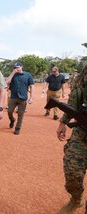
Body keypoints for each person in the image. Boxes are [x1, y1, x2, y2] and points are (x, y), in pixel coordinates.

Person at [56, 64, 87, 213]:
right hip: (82, 130)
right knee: (72, 171)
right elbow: (76, 94)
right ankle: (76, 199)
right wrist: (64, 122)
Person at [5, 62, 34, 135]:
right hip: (13, 97)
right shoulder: (13, 75)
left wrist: (31, 97)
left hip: (23, 98)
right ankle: (12, 120)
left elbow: (31, 86)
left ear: (21, 67)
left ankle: (18, 128)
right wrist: (13, 73)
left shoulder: (28, 75)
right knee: (9, 111)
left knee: (20, 114)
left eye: (18, 67)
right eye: (15, 67)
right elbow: (7, 82)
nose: (16, 69)